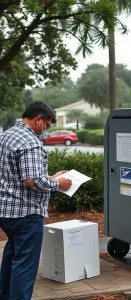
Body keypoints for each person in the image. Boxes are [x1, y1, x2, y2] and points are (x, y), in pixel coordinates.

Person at [0, 101, 72, 300]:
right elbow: (31, 180)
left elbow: (15, 175)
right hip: (27, 213)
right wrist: (59, 184)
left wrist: (52, 177)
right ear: (38, 119)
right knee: (25, 265)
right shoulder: (29, 141)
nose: (46, 131)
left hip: (6, 211)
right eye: (47, 126)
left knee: (12, 257)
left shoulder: (6, 136)